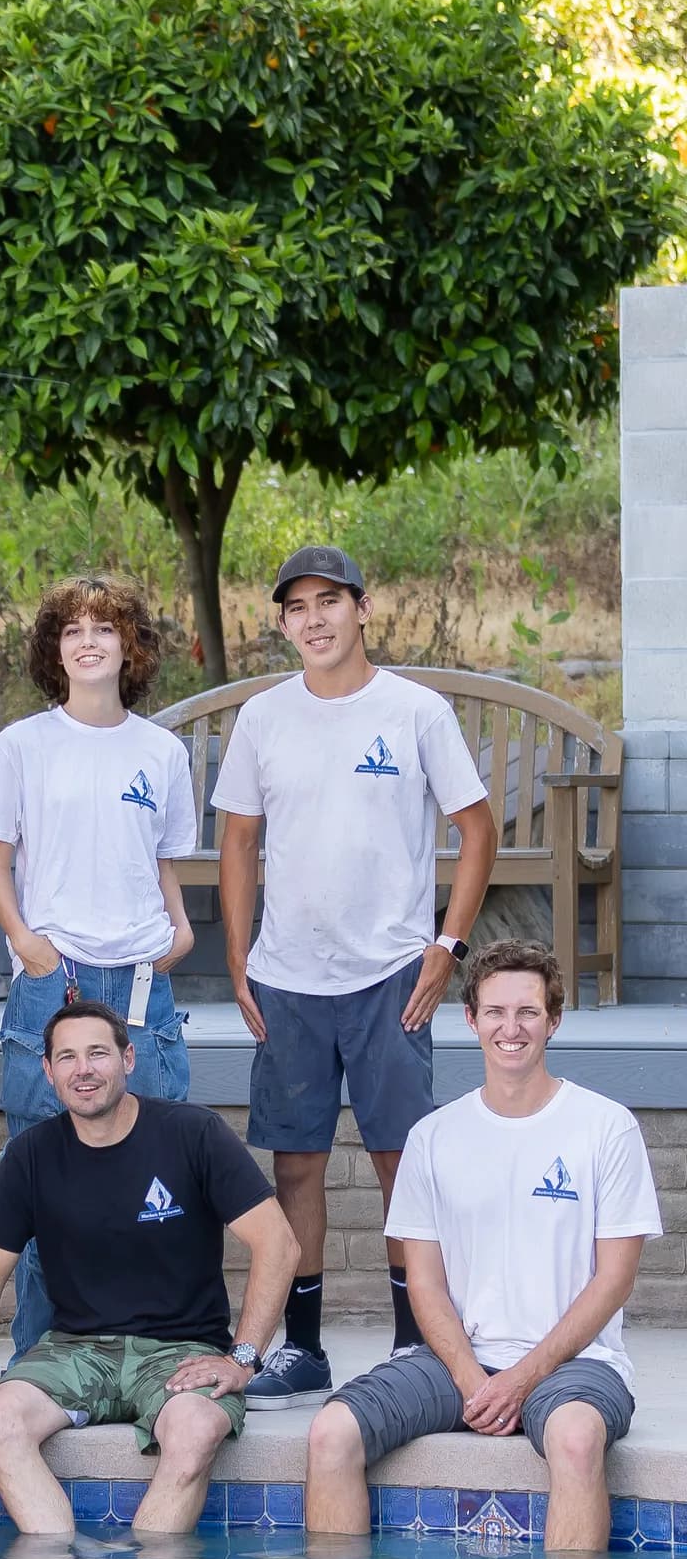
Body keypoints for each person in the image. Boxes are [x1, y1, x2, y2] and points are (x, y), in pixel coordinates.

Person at [212, 543, 497, 1407]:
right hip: (289, 978)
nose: (314, 619)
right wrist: (235, 953)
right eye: (296, 608)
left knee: (399, 1165)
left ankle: (417, 1345)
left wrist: (446, 945)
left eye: (328, 601)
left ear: (362, 608)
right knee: (294, 1166)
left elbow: (475, 830)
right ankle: (303, 1350)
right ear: (285, 624)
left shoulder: (414, 712)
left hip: (390, 975)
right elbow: (238, 840)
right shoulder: (264, 718)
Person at [305, 942, 662, 1553]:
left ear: (554, 1019)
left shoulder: (605, 1126)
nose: (511, 1028)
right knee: (330, 1433)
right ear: (471, 1021)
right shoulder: (433, 1137)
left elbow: (614, 1281)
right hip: (456, 1361)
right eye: (495, 1012)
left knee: (576, 1440)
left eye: (527, 1012)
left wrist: (523, 1377)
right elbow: (424, 1283)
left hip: (578, 1365)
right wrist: (474, 1379)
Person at [0, 1000, 299, 1535]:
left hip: (181, 1351)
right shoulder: (30, 1154)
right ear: (47, 1071)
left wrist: (243, 1359)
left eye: (97, 1053)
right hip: (76, 1350)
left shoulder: (192, 1133)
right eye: (66, 1057)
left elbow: (279, 1243)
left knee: (198, 1427)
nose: (82, 1070)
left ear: (128, 1059)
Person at [0, 573, 198, 1357]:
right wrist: (32, 949)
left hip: (142, 983)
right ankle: (41, 1359)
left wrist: (179, 933)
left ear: (130, 645)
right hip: (54, 981)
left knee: (158, 1176)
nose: (89, 640)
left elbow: (165, 862)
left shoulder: (163, 753)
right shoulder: (24, 745)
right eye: (72, 629)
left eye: (105, 627)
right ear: (54, 650)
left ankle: (160, 1347)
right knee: (44, 1182)